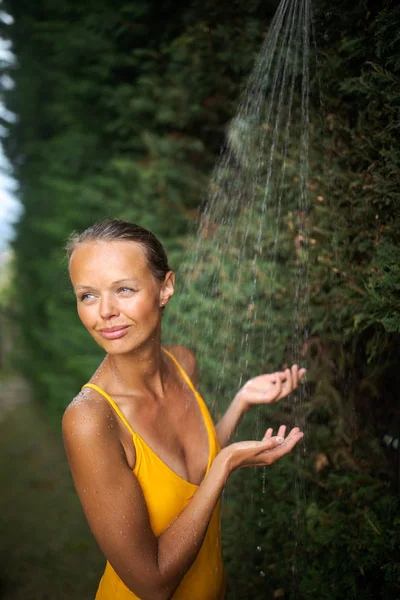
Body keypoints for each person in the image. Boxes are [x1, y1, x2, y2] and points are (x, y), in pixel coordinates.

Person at [62, 219, 305, 600]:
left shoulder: (183, 365)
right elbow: (153, 584)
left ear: (166, 288)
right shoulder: (91, 420)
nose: (104, 311)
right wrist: (226, 465)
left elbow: (189, 477)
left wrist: (240, 400)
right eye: (87, 296)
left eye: (124, 289)